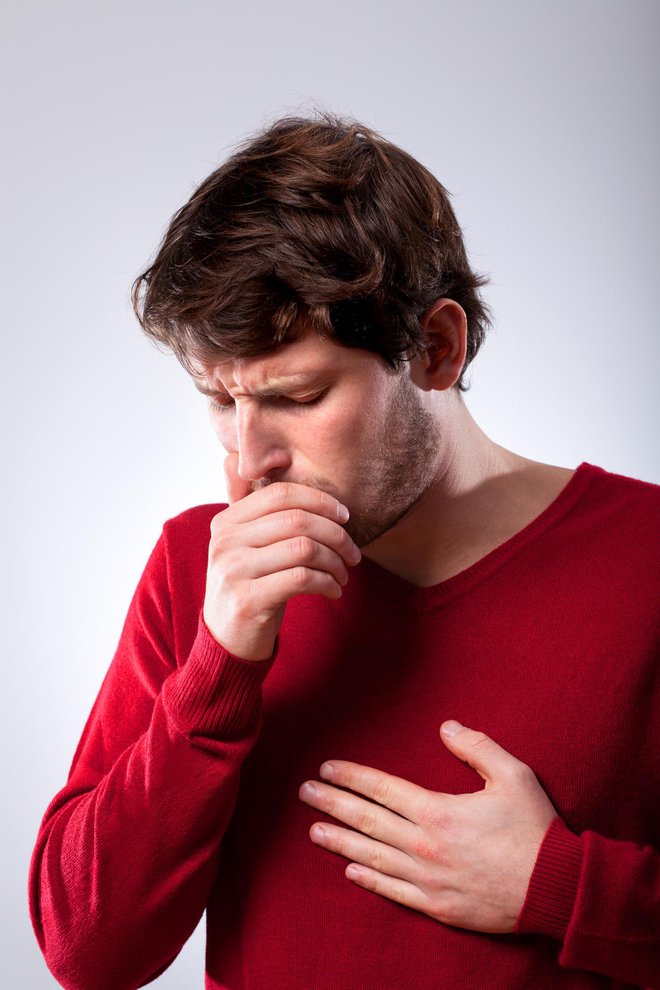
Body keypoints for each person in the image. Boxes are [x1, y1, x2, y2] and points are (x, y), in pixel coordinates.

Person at [29, 111, 660, 990]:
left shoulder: (645, 561)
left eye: (296, 395)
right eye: (220, 399)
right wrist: (220, 667)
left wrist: (558, 887)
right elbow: (85, 953)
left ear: (435, 349)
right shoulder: (198, 569)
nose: (248, 463)